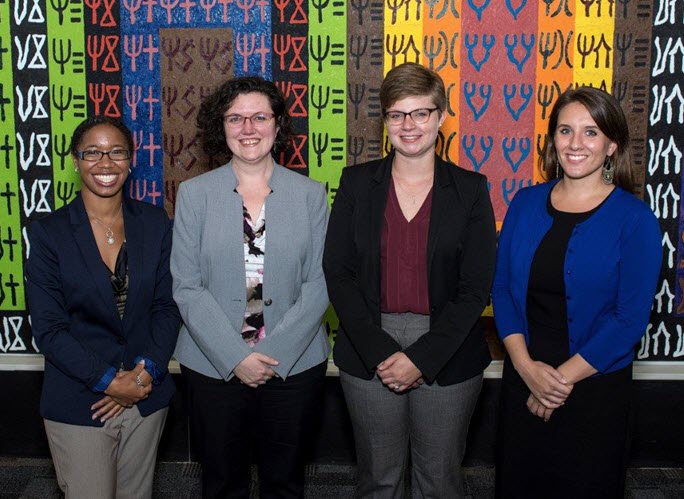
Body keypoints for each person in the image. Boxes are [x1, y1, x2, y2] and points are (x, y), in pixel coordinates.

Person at [323, 62, 496, 498]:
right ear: (385, 122)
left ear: (440, 116)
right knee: (378, 478)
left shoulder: (472, 189)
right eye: (397, 114)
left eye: (421, 113)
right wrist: (382, 351)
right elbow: (338, 272)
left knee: (438, 480)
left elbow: (476, 287)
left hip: (447, 345)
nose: (409, 124)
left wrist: (422, 357)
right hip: (368, 345)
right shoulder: (356, 183)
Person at [492, 86, 662, 498]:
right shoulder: (524, 203)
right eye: (566, 130)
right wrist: (526, 369)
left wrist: (557, 384)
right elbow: (503, 291)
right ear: (553, 140)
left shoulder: (635, 219)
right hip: (524, 379)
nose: (576, 143)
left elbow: (629, 320)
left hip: (593, 391)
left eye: (590, 132)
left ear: (611, 145)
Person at [171, 76, 330, 498]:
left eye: (259, 117)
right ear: (219, 127)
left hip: (293, 366)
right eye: (235, 118)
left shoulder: (311, 195)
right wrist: (235, 356)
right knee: (222, 482)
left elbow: (320, 283)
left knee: (285, 481)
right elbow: (186, 286)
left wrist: (269, 355)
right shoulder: (194, 194)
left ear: (278, 125)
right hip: (213, 366)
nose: (248, 128)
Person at [25, 116, 180, 499]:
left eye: (116, 152)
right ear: (75, 161)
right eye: (92, 152)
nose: (105, 163)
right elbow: (49, 329)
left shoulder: (154, 222)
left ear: (131, 160)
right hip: (82, 400)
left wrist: (144, 377)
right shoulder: (49, 233)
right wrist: (112, 382)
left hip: (147, 394)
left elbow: (167, 307)